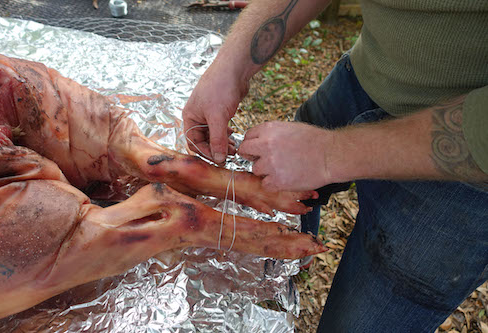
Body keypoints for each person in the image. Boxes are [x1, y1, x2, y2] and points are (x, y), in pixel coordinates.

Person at [182, 0, 488, 331]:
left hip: (464, 166)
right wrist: (231, 66)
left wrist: (330, 155)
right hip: (361, 77)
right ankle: (293, 258)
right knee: (288, 191)